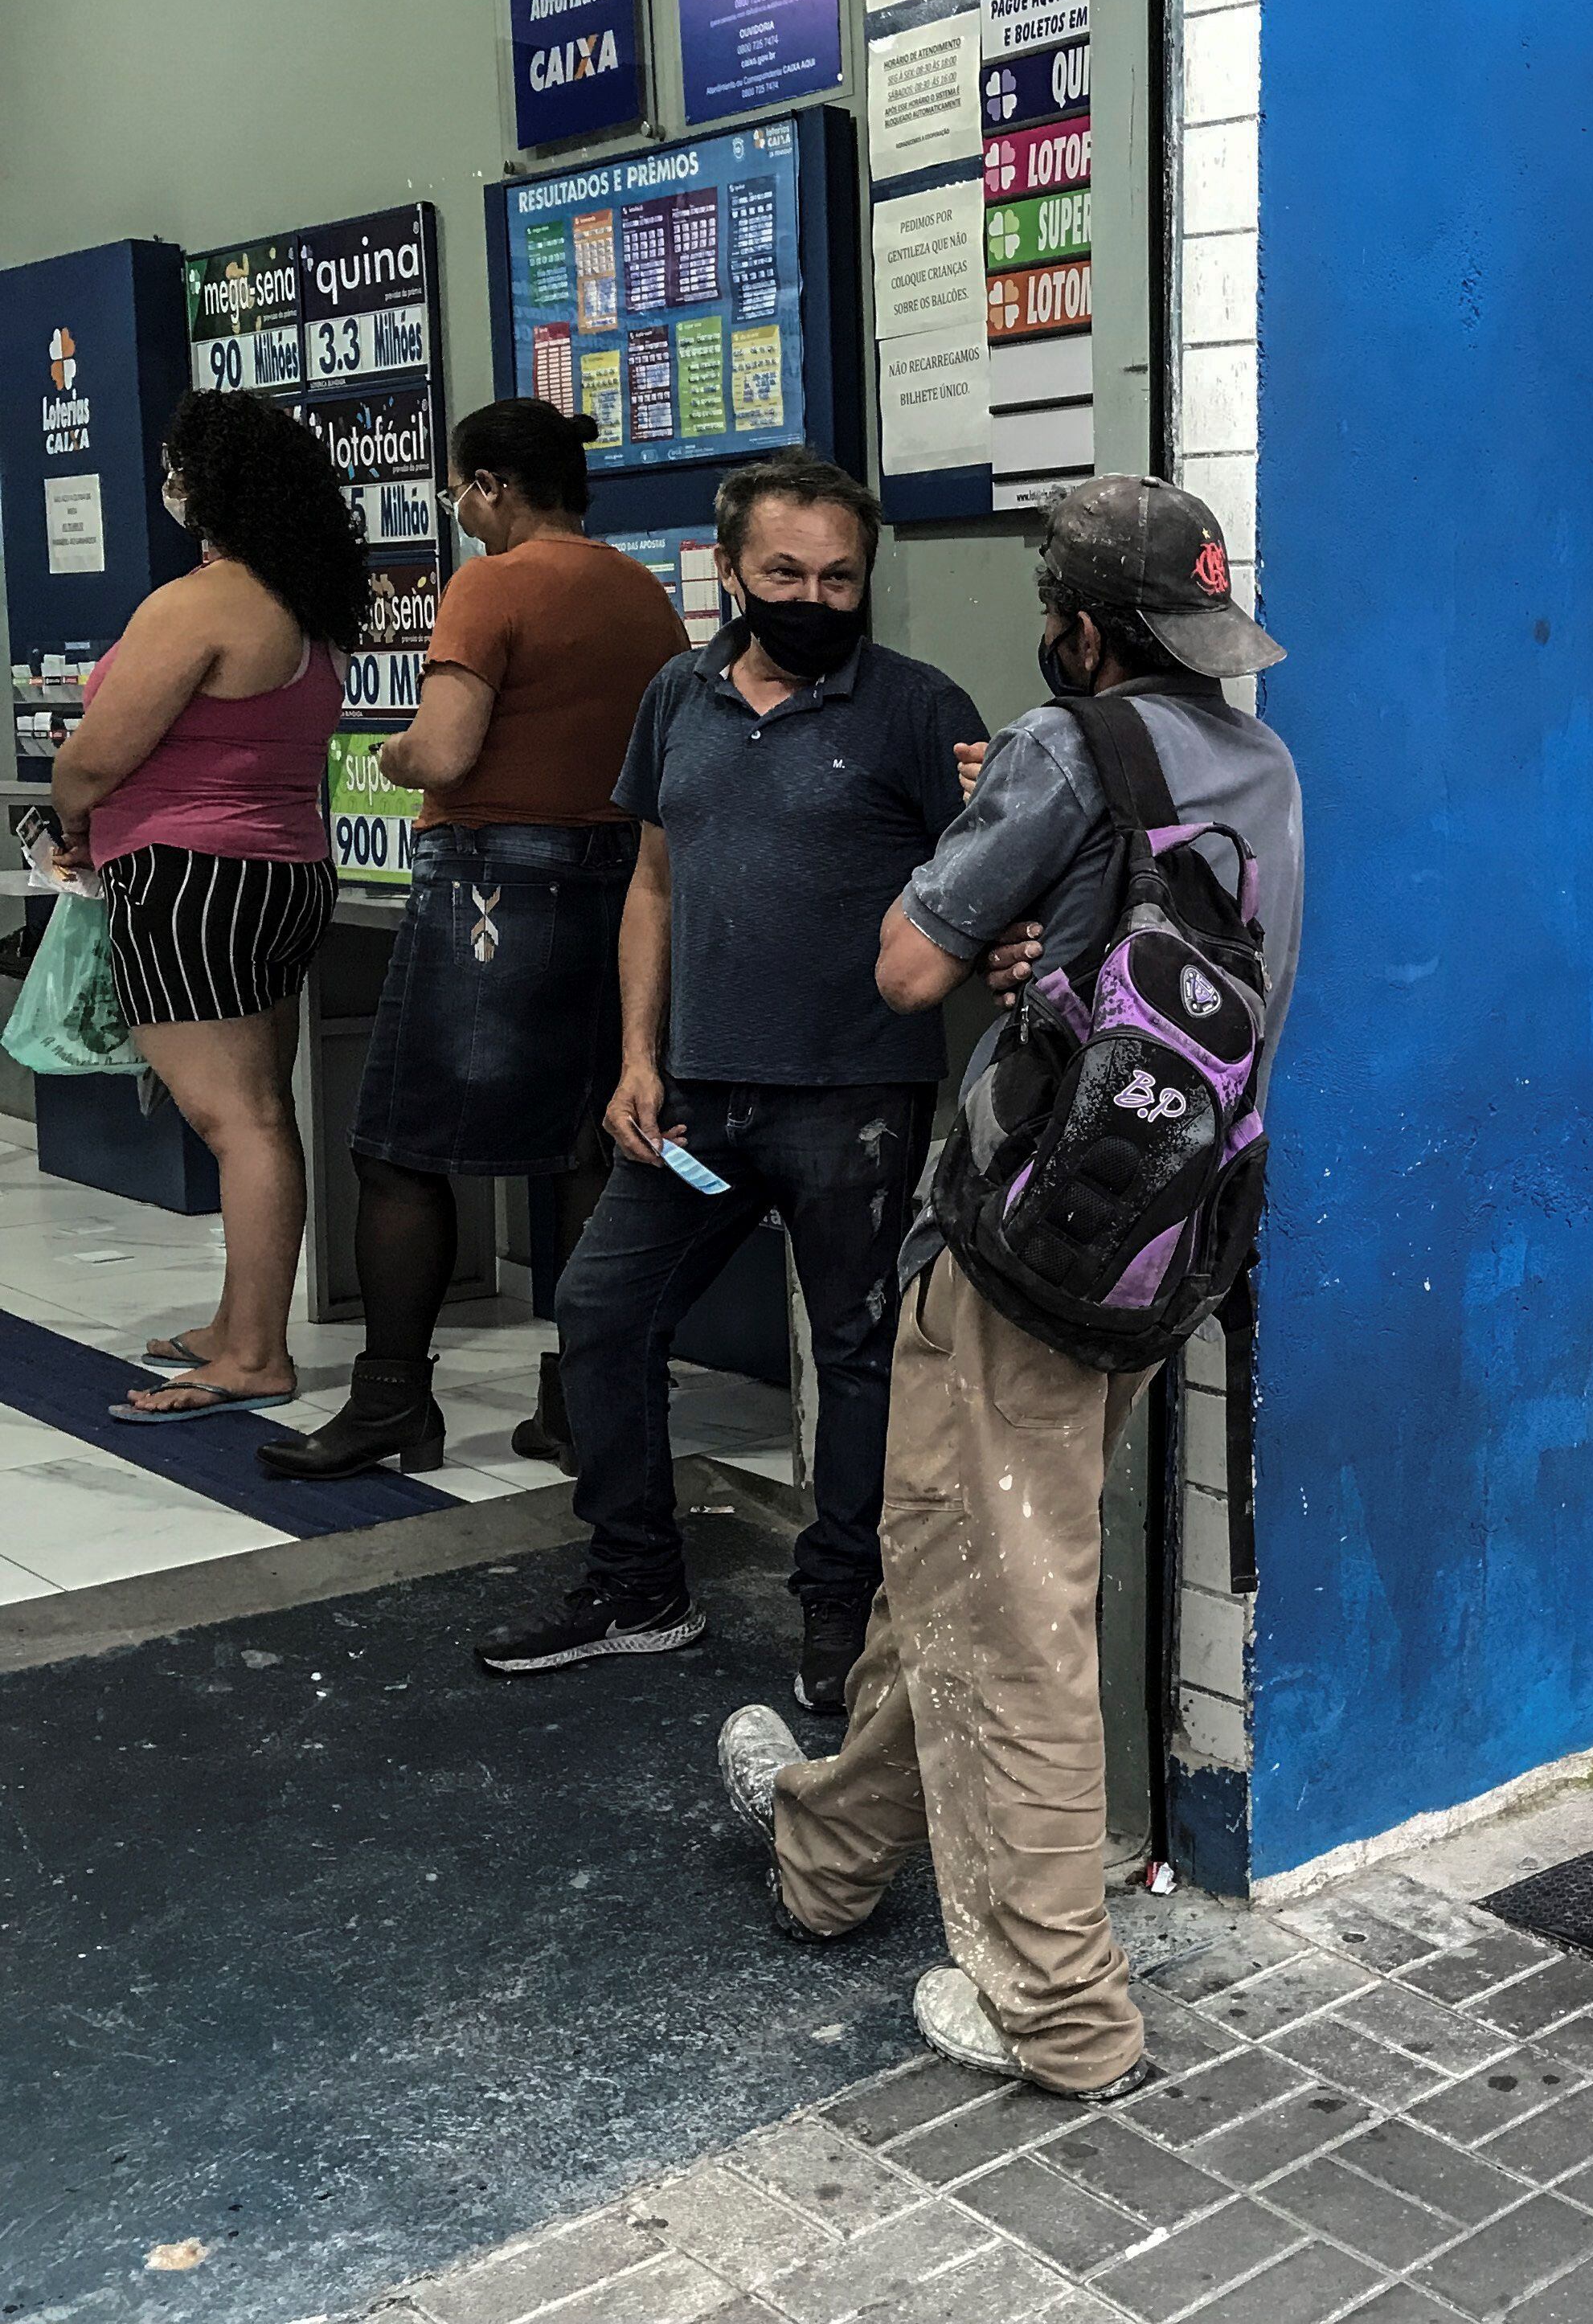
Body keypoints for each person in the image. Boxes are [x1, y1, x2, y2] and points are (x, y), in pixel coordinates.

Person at [709, 476, 1297, 2093]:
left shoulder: (1063, 750)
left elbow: (907, 963)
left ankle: (1060, 2013)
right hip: (1160, 1244)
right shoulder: (1261, 765)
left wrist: (997, 887)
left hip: (1017, 1248)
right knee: (966, 1562)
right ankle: (830, 1852)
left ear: (1084, 630)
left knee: (1014, 1612)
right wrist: (1051, 917)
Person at [473, 451, 985, 1707]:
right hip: (695, 1096)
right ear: (729, 572)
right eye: (785, 573)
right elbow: (652, 882)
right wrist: (637, 1056)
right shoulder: (675, 696)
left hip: (855, 1104)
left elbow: (984, 883)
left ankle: (840, 1607)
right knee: (602, 1312)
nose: (813, 596)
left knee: (856, 1357)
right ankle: (639, 1586)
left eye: (840, 577)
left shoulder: (920, 711)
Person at [261, 401, 687, 1480]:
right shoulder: (641, 592)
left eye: (461, 489)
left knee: (397, 1148)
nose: (458, 508)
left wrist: (392, 760)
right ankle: (584, 1407)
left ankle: (393, 1405)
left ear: (494, 487)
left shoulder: (491, 583)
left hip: (496, 885)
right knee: (591, 1146)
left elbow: (447, 752)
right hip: (621, 880)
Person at [48, 392, 358, 1425]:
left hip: (189, 879)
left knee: (241, 1124)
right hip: (281, 872)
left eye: (179, 466)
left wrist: (68, 823)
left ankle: (256, 1355)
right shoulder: (305, 605)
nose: (168, 484)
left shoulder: (202, 602)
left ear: (211, 482)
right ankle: (240, 1328)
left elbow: (95, 753)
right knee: (264, 1114)